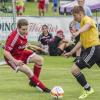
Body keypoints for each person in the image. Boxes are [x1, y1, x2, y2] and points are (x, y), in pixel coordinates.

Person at [4, 19, 51, 93]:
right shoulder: (14, 37)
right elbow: (6, 52)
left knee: (40, 59)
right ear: (18, 28)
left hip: (21, 53)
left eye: (26, 29)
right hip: (13, 58)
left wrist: (31, 48)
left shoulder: (24, 33)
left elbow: (22, 44)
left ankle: (34, 81)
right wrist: (15, 61)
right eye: (23, 29)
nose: (25, 31)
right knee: (28, 71)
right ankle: (45, 89)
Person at [64, 6, 100, 99]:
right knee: (75, 70)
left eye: (75, 16)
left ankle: (88, 89)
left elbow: (88, 25)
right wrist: (71, 52)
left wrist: (77, 32)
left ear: (80, 14)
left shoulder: (87, 19)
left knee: (74, 70)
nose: (74, 18)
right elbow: (81, 42)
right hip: (94, 49)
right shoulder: (82, 25)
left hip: (93, 49)